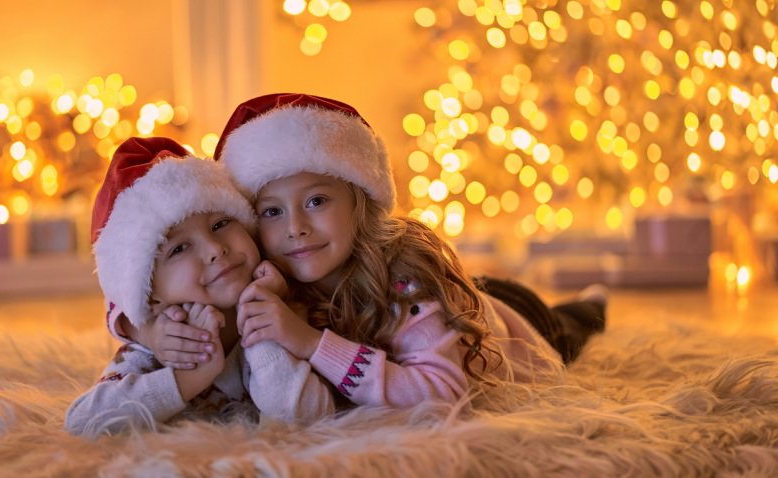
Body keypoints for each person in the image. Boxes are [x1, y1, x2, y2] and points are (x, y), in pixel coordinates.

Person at [208, 92, 606, 408]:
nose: (295, 228)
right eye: (273, 211)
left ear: (359, 202)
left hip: (506, 319)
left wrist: (311, 343)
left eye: (316, 202)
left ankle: (593, 302)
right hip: (454, 308)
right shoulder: (270, 279)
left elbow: (442, 392)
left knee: (571, 326)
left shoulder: (406, 281)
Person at [64, 137, 334, 437]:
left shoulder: (283, 308)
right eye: (179, 248)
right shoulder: (165, 342)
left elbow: (309, 417)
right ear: (151, 295)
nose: (214, 249)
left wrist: (260, 327)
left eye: (221, 224)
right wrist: (187, 377)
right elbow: (81, 423)